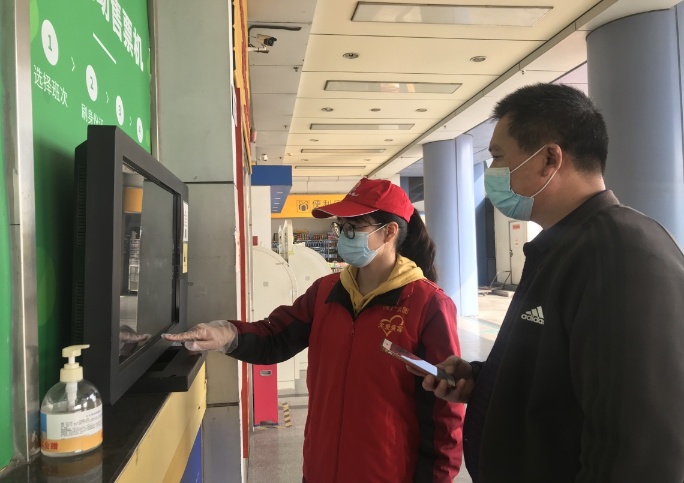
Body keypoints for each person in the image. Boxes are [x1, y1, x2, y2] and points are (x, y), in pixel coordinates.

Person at [417, 83, 684, 482]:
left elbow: (641, 447)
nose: (491, 172)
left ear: (549, 159)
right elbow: (560, 374)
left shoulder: (619, 254)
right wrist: (482, 379)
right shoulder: (563, 247)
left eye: (498, 157)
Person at [164, 178, 465, 483]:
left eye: (353, 227)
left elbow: (443, 411)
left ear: (389, 232)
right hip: (320, 469)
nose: (344, 236)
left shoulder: (427, 305)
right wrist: (227, 334)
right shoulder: (326, 292)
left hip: (386, 474)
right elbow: (276, 337)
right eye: (341, 227)